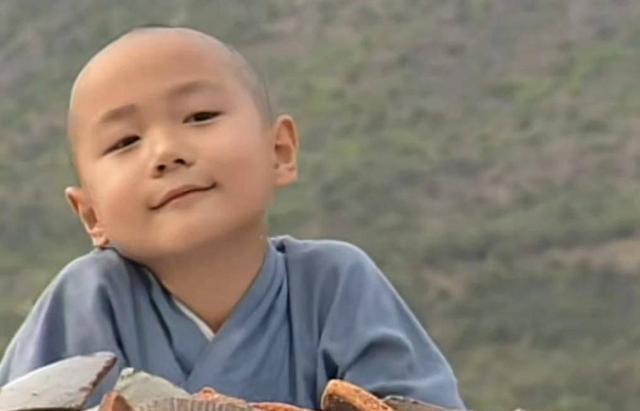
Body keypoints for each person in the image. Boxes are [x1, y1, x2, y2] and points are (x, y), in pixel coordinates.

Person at [0, 26, 465, 410]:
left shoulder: (336, 284)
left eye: (200, 116)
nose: (166, 152)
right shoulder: (86, 301)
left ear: (279, 151)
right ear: (91, 214)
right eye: (125, 142)